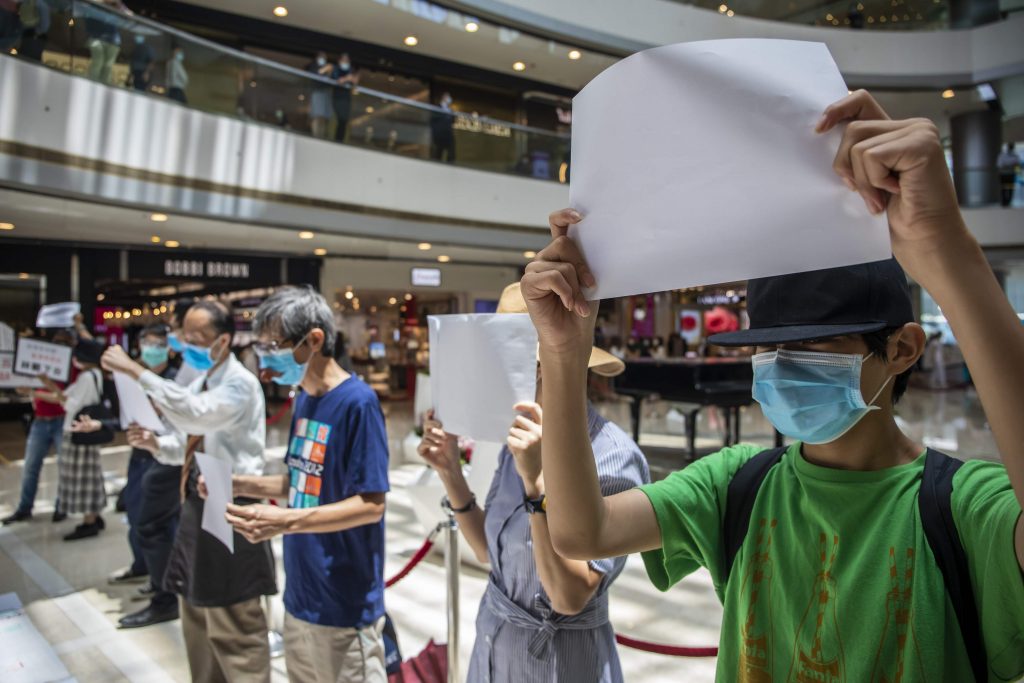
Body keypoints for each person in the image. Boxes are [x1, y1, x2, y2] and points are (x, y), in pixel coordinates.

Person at [521, 90, 1024, 681]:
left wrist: (949, 254)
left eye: (815, 344)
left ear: (902, 349)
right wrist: (563, 351)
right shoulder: (738, 484)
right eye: (767, 346)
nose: (782, 365)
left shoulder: (962, 508)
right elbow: (583, 532)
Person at [418, 283, 649, 682]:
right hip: (495, 647)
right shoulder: (522, 437)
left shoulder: (612, 455)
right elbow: (492, 553)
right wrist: (450, 473)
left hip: (560, 662)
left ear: (540, 367)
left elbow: (570, 596)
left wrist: (536, 485)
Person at [215, 286, 390, 682]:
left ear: (313, 340)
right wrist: (237, 482)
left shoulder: (358, 403)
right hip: (300, 597)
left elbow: (371, 504)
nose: (266, 357)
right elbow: (301, 481)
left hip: (344, 606)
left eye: (274, 345)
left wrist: (285, 522)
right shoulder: (305, 399)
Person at [101, 300, 276, 682]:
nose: (187, 344)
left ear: (224, 340)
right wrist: (154, 444)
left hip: (232, 503)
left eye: (198, 338)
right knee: (196, 610)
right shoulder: (203, 379)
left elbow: (196, 413)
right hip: (198, 496)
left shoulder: (238, 384)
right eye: (185, 336)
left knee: (234, 615)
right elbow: (187, 436)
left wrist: (135, 371)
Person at [108, 326, 176, 580]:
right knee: (135, 513)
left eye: (158, 344)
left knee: (159, 520)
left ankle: (163, 580)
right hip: (140, 453)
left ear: (169, 349)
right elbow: (128, 417)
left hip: (166, 456)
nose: (152, 349)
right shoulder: (136, 380)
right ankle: (142, 566)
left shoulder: (176, 379)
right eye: (147, 343)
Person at [2, 329, 75, 525]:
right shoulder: (41, 364)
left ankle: (62, 506)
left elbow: (63, 397)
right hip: (40, 421)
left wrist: (36, 392)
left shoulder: (72, 369)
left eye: (65, 342)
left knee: (64, 467)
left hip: (62, 420)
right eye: (58, 341)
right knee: (30, 467)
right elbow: (29, 387)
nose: (61, 345)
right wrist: (27, 390)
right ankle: (25, 508)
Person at [46, 338, 109, 541]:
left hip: (78, 430)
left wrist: (48, 384)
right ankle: (95, 516)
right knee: (91, 475)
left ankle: (89, 522)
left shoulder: (86, 378)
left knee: (82, 479)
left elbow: (70, 404)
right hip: (87, 431)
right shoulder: (96, 374)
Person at [307, 51, 334, 139]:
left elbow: (331, 81)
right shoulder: (313, 66)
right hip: (317, 92)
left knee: (324, 117)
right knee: (317, 116)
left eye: (325, 57)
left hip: (326, 93)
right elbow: (315, 74)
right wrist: (325, 69)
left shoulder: (327, 68)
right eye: (321, 57)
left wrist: (330, 72)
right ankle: (315, 134)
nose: (323, 59)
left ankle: (321, 135)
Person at [332, 52, 358, 143]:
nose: (346, 62)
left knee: (344, 120)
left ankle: (340, 139)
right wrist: (347, 78)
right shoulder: (336, 69)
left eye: (347, 60)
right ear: (339, 60)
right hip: (337, 97)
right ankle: (336, 139)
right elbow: (337, 80)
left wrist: (353, 79)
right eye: (344, 60)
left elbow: (354, 83)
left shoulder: (351, 70)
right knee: (339, 118)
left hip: (346, 98)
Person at [430, 92, 456, 163]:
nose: (449, 99)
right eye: (448, 97)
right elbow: (433, 120)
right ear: (444, 98)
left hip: (448, 134)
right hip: (439, 134)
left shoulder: (450, 110)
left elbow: (453, 120)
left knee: (451, 150)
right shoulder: (437, 107)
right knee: (438, 151)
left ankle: (450, 164)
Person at [998, 142, 1020, 207]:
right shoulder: (1002, 155)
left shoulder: (1015, 156)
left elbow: (1017, 165)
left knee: (1010, 189)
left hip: (1011, 174)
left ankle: (1009, 202)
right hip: (1003, 175)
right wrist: (1011, 165)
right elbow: (1000, 165)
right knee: (1003, 189)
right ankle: (1004, 202)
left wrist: (1008, 165)